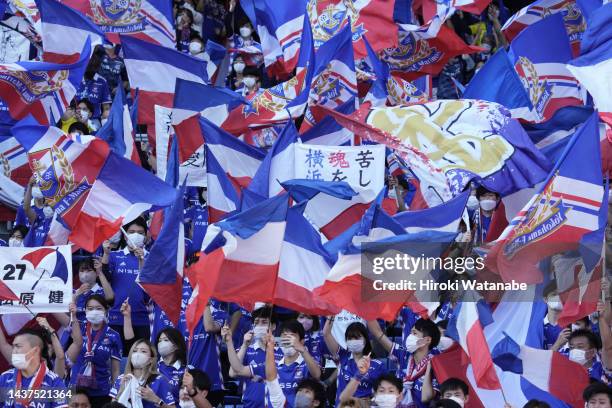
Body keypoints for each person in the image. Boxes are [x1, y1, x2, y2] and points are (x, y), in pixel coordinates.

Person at [101, 217, 151, 348]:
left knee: (139, 359)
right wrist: (106, 254)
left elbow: (151, 287)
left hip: (142, 318)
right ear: (124, 235)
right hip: (116, 317)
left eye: (140, 233)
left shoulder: (152, 257)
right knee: (117, 361)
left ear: (146, 236)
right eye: (132, 231)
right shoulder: (114, 256)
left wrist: (142, 261)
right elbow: (104, 279)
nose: (136, 235)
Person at [369, 318, 441, 407]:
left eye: (414, 333)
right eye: (410, 333)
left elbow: (426, 397)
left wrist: (428, 370)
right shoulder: (404, 354)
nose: (410, 336)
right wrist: (368, 313)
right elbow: (378, 334)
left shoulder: (436, 365)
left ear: (427, 340)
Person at [67, 294, 122, 406]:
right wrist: (73, 312)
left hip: (101, 391)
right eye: (90, 309)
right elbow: (67, 359)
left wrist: (116, 393)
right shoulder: (78, 328)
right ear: (85, 311)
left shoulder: (114, 335)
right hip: (76, 389)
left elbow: (115, 370)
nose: (94, 312)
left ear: (106, 311)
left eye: (98, 308)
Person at [222, 306, 281, 407]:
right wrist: (244, 345)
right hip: (251, 404)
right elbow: (232, 373)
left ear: (273, 326)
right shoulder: (246, 348)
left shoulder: (283, 352)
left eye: (264, 322)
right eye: (256, 322)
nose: (259, 326)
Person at [0, 328, 69, 407]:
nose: (14, 351)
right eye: (13, 347)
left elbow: (60, 357)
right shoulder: (5, 377)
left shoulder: (54, 382)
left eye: (18, 346)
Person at [260, 320, 321, 407]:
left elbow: (317, 375)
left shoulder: (307, 362)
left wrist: (302, 349)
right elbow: (237, 371)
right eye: (284, 336)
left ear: (302, 341)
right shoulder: (272, 364)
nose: (287, 339)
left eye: (292, 336)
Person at [323, 319, 384, 405]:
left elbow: (385, 391)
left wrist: (372, 401)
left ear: (365, 339)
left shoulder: (378, 365)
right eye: (350, 338)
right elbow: (326, 333)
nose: (353, 341)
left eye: (357, 337)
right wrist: (331, 316)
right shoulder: (343, 356)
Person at [109, 339, 175, 407]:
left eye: (143, 351)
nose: (137, 354)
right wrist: (121, 391)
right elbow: (113, 406)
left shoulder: (159, 380)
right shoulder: (122, 378)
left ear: (151, 360)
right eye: (134, 351)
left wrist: (157, 400)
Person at [73, 257, 114, 322]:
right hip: (78, 329)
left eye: (89, 270)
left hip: (97, 329)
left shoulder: (102, 291)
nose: (85, 274)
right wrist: (76, 295)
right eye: (82, 271)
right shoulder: (74, 292)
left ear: (96, 273)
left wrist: (100, 272)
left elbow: (111, 298)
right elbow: (68, 314)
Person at [156, 328, 189, 403]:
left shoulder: (187, 369)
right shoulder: (152, 367)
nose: (161, 343)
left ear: (176, 346)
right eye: (159, 341)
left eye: (166, 340)